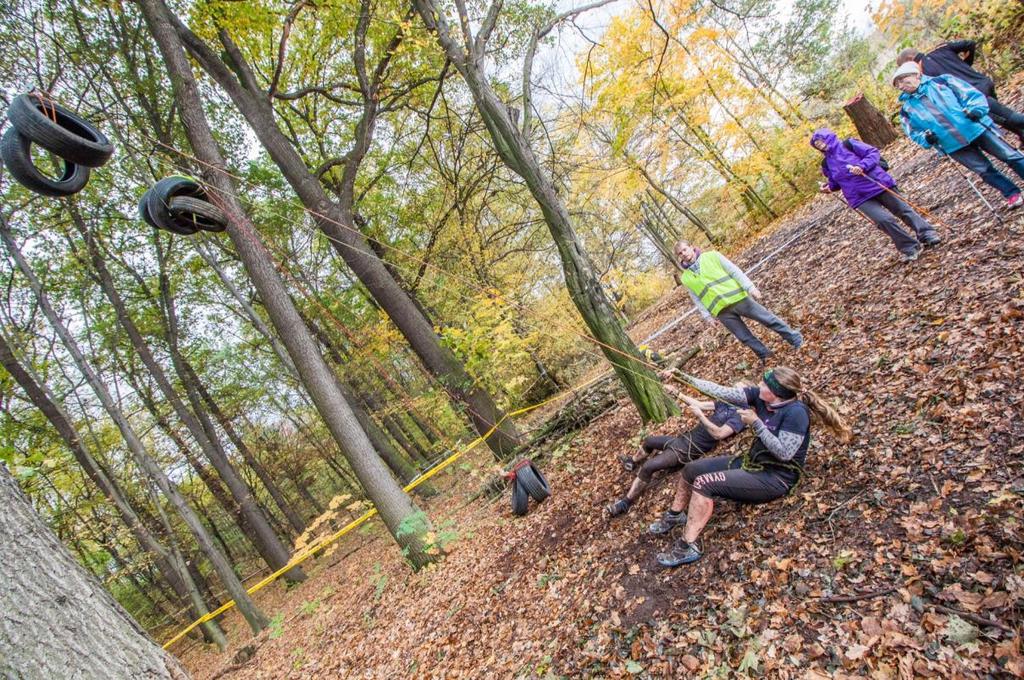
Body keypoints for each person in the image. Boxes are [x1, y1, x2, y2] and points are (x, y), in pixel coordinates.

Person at [654, 366, 851, 567]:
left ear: (776, 393)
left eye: (764, 384)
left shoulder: (796, 413)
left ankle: (687, 546)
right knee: (691, 470)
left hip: (775, 477)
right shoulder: (759, 396)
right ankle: (675, 516)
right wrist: (681, 376)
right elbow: (719, 390)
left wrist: (756, 423)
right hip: (752, 463)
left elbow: (785, 453)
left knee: (704, 483)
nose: (759, 385)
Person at [892, 62, 1024, 209]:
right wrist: (926, 139)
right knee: (984, 171)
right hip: (952, 145)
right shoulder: (906, 110)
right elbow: (914, 133)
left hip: (976, 127)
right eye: (897, 85)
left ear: (916, 75)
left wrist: (976, 110)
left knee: (1010, 155)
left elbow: (971, 94)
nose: (901, 86)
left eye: (903, 80)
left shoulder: (942, 81)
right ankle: (1011, 193)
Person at [607, 393, 745, 527]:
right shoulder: (725, 404)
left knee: (649, 466)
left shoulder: (740, 415)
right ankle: (632, 461)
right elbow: (699, 404)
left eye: (738, 391)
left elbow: (719, 434)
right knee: (649, 441)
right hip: (681, 440)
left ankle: (625, 502)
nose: (733, 391)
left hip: (686, 450)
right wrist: (677, 393)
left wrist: (701, 416)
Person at [811, 128, 940, 262]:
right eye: (817, 145)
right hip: (858, 197)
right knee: (883, 220)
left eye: (821, 142)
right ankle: (909, 247)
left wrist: (862, 166)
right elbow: (835, 182)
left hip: (877, 183)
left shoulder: (849, 144)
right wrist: (828, 188)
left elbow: (873, 153)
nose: (820, 145)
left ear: (829, 138)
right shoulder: (826, 163)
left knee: (903, 210)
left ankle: (927, 233)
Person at [674, 240, 803, 364]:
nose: (684, 254)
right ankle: (766, 356)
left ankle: (795, 339)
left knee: (768, 319)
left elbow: (734, 271)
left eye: (685, 249)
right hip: (721, 311)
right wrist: (707, 316)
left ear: (691, 247)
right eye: (680, 253)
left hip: (739, 299)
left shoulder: (712, 256)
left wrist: (750, 287)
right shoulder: (685, 278)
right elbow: (696, 298)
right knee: (744, 337)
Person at [897, 42, 1024, 147]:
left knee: (1009, 117)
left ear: (910, 59)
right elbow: (970, 43)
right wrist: (966, 63)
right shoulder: (942, 49)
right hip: (983, 82)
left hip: (974, 96)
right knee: (998, 116)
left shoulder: (923, 74)